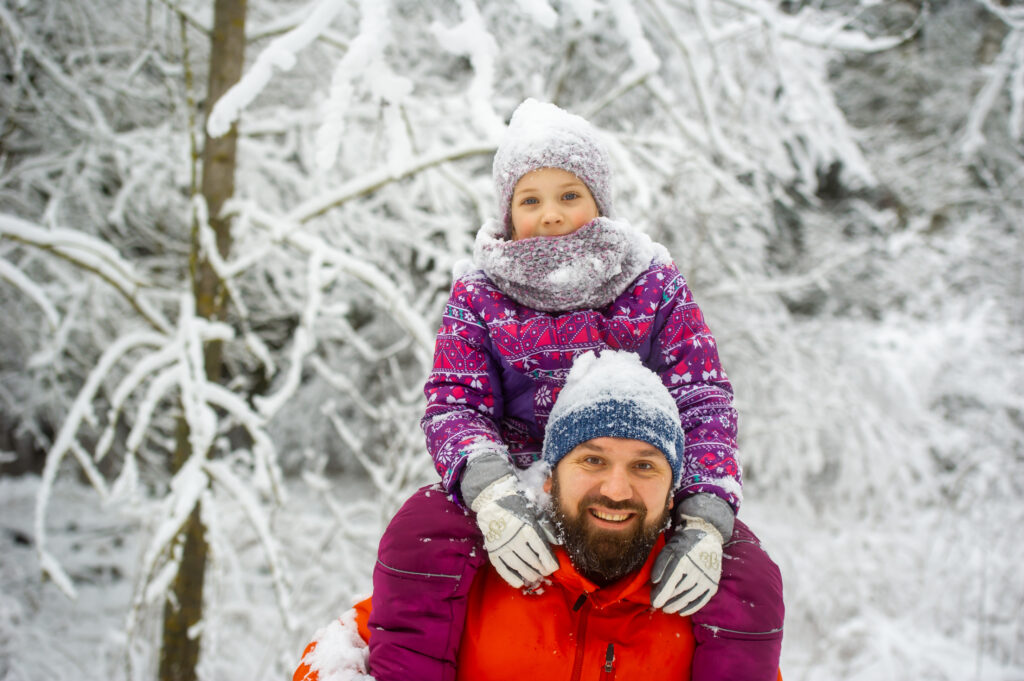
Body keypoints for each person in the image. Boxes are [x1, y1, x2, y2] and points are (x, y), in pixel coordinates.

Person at [369, 99, 783, 680]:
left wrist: (704, 516)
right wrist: (489, 492)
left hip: (630, 469)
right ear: (508, 212)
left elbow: (702, 398)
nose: (552, 215)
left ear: (599, 203)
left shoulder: (651, 283)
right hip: (517, 476)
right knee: (423, 529)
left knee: (746, 571)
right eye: (530, 200)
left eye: (570, 196)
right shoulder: (480, 293)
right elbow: (454, 401)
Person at [294, 352, 784, 681]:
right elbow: (334, 652)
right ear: (549, 478)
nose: (617, 489)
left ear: (674, 489)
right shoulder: (465, 581)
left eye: (644, 466)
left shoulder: (708, 615)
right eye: (592, 460)